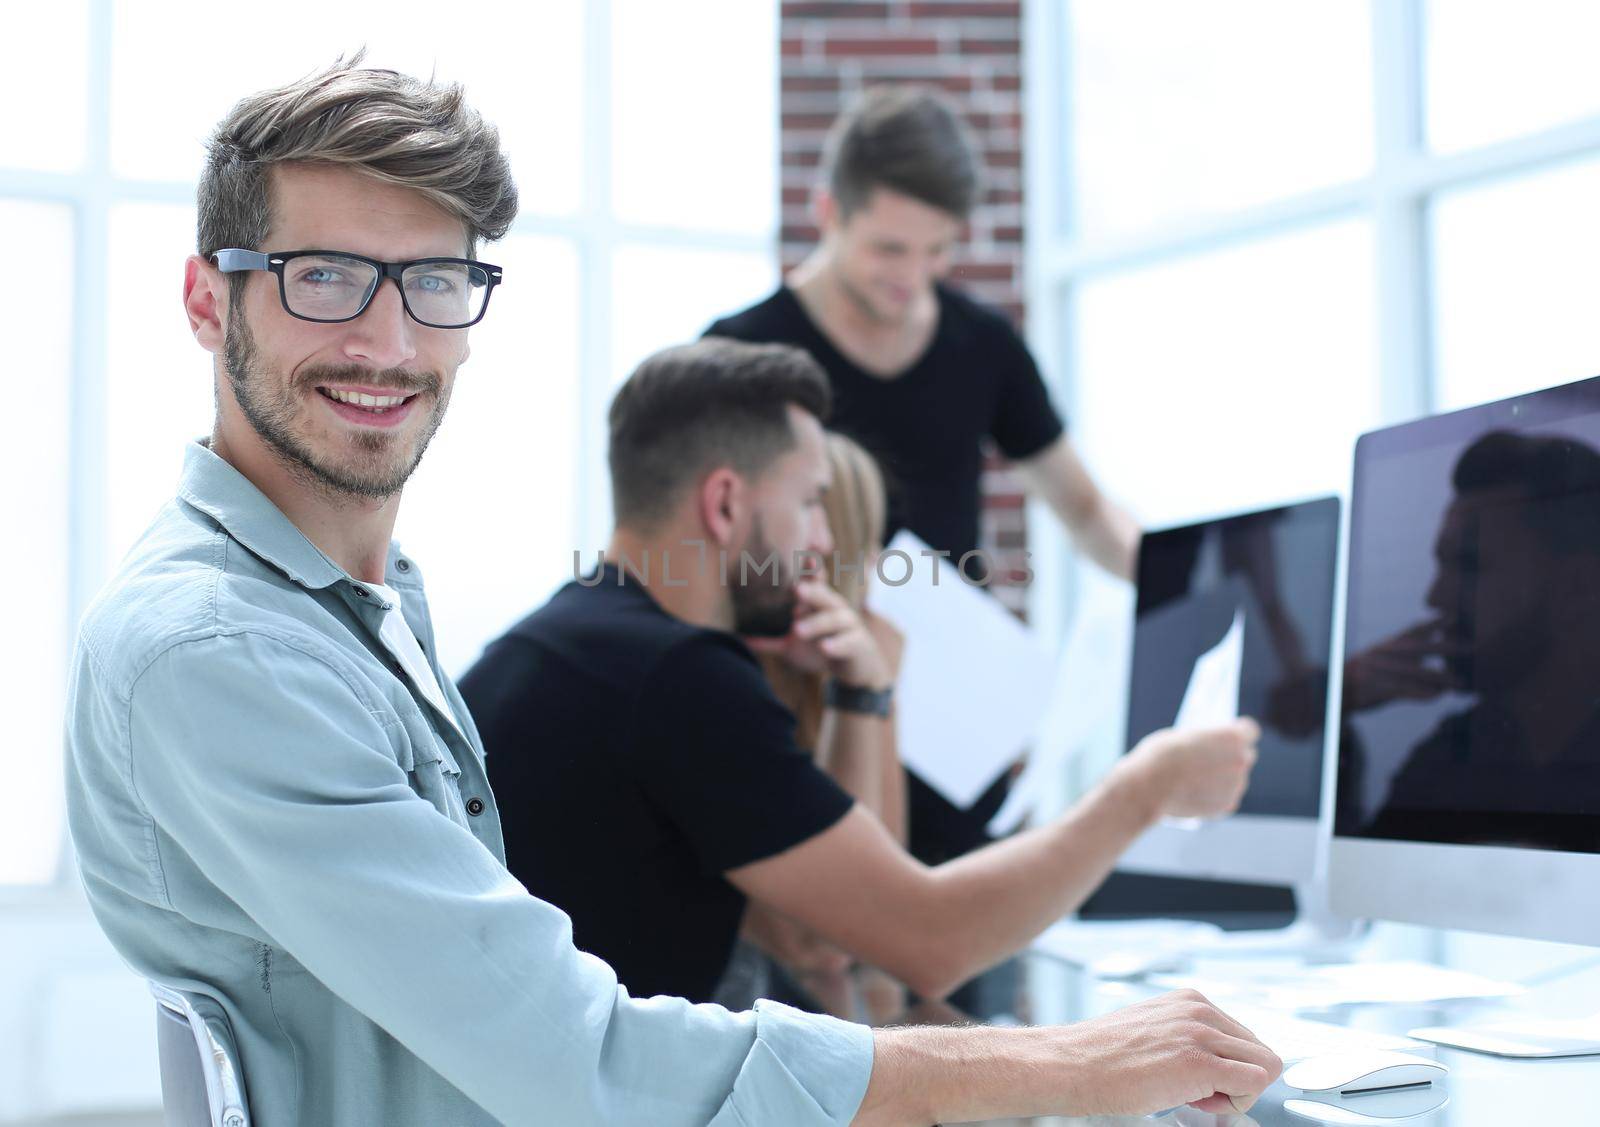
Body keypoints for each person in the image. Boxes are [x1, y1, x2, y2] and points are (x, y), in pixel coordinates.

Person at [64, 59, 1280, 1126]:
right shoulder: (228, 649)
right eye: (323, 276)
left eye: (432, 279)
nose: (386, 341)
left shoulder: (366, 611)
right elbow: (583, 1057)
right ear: (206, 299)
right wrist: (1064, 1061)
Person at [461, 335, 1265, 1016]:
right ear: (726, 504)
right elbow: (931, 940)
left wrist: (861, 691)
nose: (824, 541)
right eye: (811, 502)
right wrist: (1143, 790)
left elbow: (847, 928)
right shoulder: (677, 678)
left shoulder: (569, 645)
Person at [705, 84, 1143, 890]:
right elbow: (707, 552)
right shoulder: (742, 352)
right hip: (803, 723)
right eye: (890, 249)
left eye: (939, 250)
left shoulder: (984, 345)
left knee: (967, 986)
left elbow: (1084, 508)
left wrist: (1179, 580)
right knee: (812, 985)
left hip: (957, 738)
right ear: (828, 210)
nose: (917, 275)